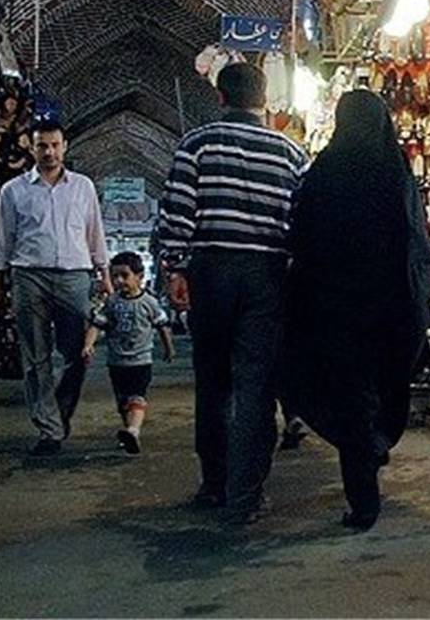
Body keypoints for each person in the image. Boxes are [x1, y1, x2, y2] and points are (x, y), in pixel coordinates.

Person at [154, 63, 308, 525]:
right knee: (257, 386)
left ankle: (214, 483)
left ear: (220, 97)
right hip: (267, 276)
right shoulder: (290, 153)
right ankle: (246, 494)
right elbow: (301, 220)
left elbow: (177, 212)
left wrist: (175, 268)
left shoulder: (196, 145)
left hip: (212, 272)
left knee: (214, 383)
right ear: (265, 100)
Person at [284, 89, 430, 532]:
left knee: (350, 399)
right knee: (382, 389)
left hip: (337, 309)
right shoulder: (396, 172)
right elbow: (415, 239)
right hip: (391, 308)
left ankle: (363, 490)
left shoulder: (326, 171)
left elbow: (302, 238)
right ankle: (373, 446)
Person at [0, 118, 112, 456]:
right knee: (35, 356)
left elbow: (94, 232)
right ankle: (49, 429)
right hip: (29, 277)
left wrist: (105, 274)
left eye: (55, 145)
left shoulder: (82, 187)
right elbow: (2, 242)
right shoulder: (13, 191)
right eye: (42, 145)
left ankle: (59, 412)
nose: (49, 152)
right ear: (32, 147)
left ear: (64, 147)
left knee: (77, 353)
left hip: (74, 276)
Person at [82, 251, 175, 455]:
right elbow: (97, 324)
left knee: (137, 398)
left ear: (139, 276)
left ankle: (133, 430)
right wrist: (88, 344)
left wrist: (169, 348)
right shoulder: (112, 303)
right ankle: (130, 431)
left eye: (124, 275)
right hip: (116, 362)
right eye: (115, 276)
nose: (119, 281)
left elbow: (162, 326)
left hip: (141, 361)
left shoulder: (149, 302)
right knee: (123, 402)